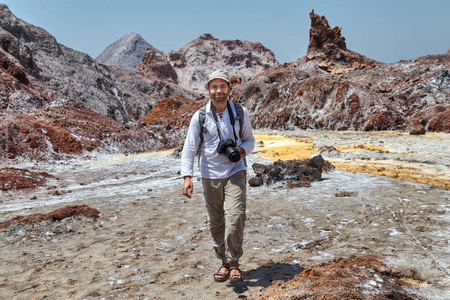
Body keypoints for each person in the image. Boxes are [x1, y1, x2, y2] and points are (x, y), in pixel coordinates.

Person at [181, 69, 255, 283]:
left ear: (229, 89)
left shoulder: (241, 112)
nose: (218, 91)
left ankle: (234, 263)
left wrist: (239, 151)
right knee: (216, 222)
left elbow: (250, 141)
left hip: (235, 171)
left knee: (235, 217)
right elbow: (190, 147)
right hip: (209, 174)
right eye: (214, 87)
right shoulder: (200, 116)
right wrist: (187, 176)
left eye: (222, 86)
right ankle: (223, 262)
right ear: (208, 90)